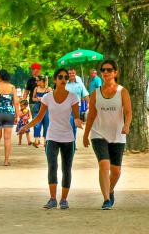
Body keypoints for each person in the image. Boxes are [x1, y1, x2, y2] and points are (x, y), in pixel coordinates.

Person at [18, 68, 83, 209]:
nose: (63, 80)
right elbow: (39, 117)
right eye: (60, 77)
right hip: (52, 136)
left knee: (67, 169)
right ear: (55, 79)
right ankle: (53, 199)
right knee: (52, 167)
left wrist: (80, 123)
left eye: (66, 77)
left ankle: (64, 199)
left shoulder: (73, 97)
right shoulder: (47, 97)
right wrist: (26, 127)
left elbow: (77, 117)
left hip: (68, 138)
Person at [83, 60, 132, 210]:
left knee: (116, 171)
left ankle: (110, 190)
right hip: (99, 134)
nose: (105, 72)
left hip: (118, 135)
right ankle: (106, 199)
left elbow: (128, 112)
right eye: (103, 70)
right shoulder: (95, 93)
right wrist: (85, 135)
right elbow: (91, 116)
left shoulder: (122, 91)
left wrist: (126, 125)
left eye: (109, 70)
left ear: (115, 73)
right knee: (104, 165)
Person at [66, 68, 89, 139]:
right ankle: (67, 141)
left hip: (77, 107)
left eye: (73, 73)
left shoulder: (80, 84)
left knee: (75, 125)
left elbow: (85, 94)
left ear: (75, 74)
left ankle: (73, 141)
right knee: (68, 125)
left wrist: (89, 103)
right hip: (66, 107)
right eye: (69, 73)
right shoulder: (64, 84)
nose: (71, 75)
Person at [31, 76, 52, 147]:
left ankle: (45, 141)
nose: (36, 82)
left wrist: (43, 99)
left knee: (46, 124)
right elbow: (33, 98)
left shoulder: (48, 89)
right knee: (37, 124)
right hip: (37, 108)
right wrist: (37, 99)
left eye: (37, 81)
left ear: (42, 81)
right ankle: (36, 140)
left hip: (46, 108)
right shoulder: (36, 88)